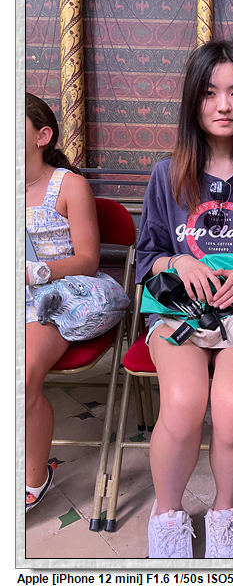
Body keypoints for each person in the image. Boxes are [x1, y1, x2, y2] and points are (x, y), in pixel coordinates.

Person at [135, 40, 233, 559]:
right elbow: (148, 256)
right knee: (184, 402)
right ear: (193, 101)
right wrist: (177, 263)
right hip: (178, 311)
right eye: (209, 93)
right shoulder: (167, 174)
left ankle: (227, 511)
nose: (223, 105)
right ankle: (167, 515)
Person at [25, 93, 100, 513]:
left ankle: (33, 477)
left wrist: (35, 272)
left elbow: (88, 260)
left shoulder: (69, 186)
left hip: (55, 296)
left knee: (20, 376)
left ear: (42, 136)